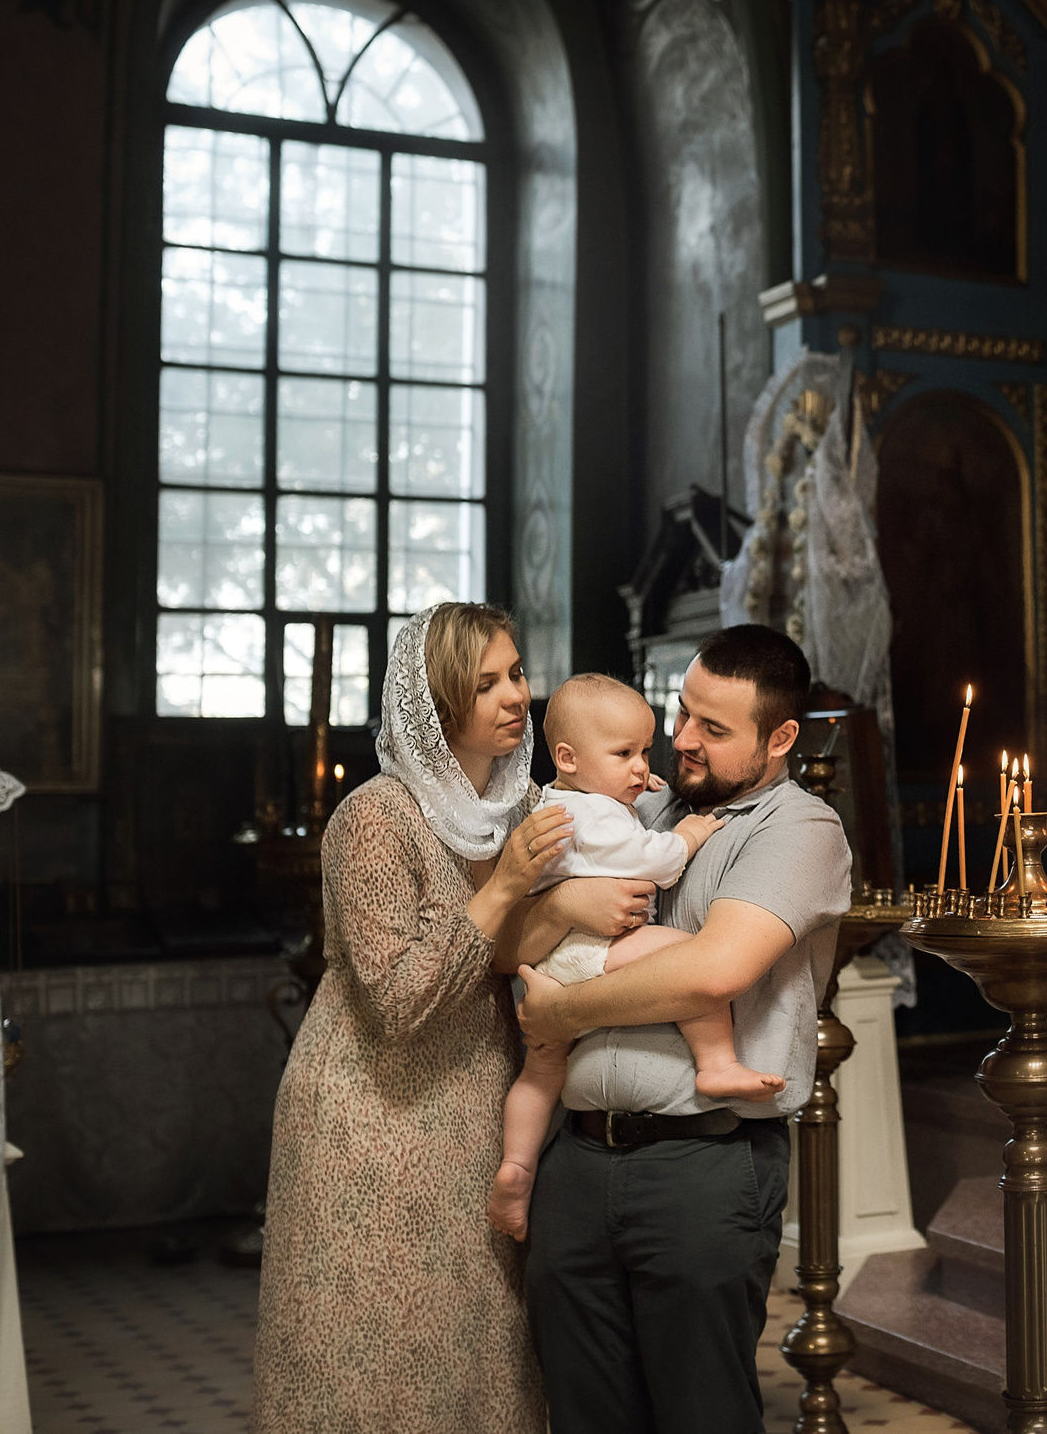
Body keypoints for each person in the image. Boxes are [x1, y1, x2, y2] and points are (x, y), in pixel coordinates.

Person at [253, 603, 661, 1434]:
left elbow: (519, 951)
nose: (517, 695)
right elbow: (399, 998)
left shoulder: (522, 810)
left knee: (482, 1354)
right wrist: (510, 884)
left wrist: (580, 883)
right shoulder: (375, 816)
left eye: (516, 672)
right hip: (375, 1118)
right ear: (439, 703)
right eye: (486, 683)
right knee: (375, 1357)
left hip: (482, 1105)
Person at [514, 623, 853, 1434]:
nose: (681, 740)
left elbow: (712, 973)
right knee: (587, 1415)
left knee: (701, 1415)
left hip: (701, 1164)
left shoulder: (798, 830)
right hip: (577, 1157)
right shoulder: (634, 799)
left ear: (780, 739)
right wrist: (561, 905)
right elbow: (506, 950)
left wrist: (562, 1010)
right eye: (682, 711)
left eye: (713, 728)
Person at [487, 673, 784, 1243]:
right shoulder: (594, 814)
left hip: (548, 967)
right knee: (686, 956)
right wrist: (691, 835)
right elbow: (652, 859)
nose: (641, 768)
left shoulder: (556, 804)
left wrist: (631, 782)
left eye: (646, 752)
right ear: (568, 757)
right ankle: (716, 1061)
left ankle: (516, 1170)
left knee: (541, 1070)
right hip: (591, 950)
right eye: (624, 753)